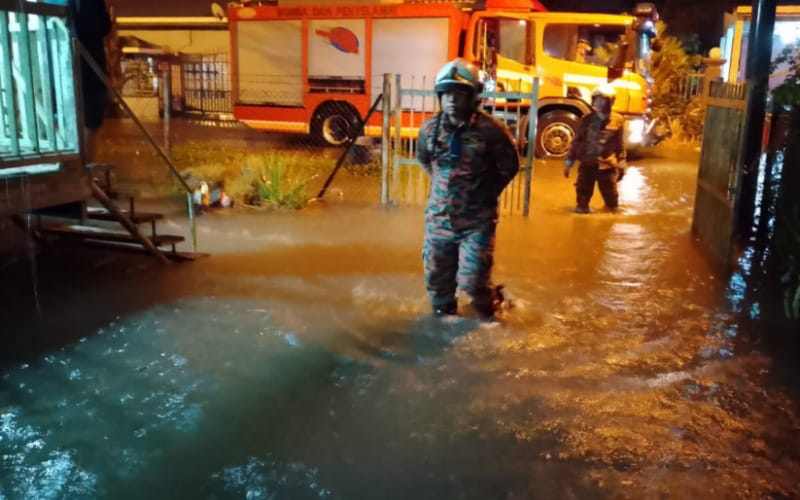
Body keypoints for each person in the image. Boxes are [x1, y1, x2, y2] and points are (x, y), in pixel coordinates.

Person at [416, 58, 520, 321]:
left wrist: (483, 194)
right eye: (446, 93)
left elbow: (509, 167)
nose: (451, 100)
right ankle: (443, 329)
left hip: (476, 223)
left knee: (472, 282)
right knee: (438, 285)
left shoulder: (492, 131)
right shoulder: (429, 129)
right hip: (438, 219)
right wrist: (446, 190)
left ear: (473, 96)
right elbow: (426, 161)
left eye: (459, 93)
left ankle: (495, 302)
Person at [563, 83, 627, 214]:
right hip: (587, 165)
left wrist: (622, 165)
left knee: (612, 204)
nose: (599, 103)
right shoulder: (586, 120)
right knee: (581, 204)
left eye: (603, 100)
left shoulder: (618, 120)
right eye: (597, 99)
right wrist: (568, 163)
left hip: (607, 166)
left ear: (610, 101)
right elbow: (577, 142)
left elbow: (619, 145)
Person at [67, 0, 112, 164]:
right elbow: (103, 26)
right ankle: (85, 169)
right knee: (92, 121)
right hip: (89, 65)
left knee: (67, 118)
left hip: (61, 63)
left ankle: (72, 166)